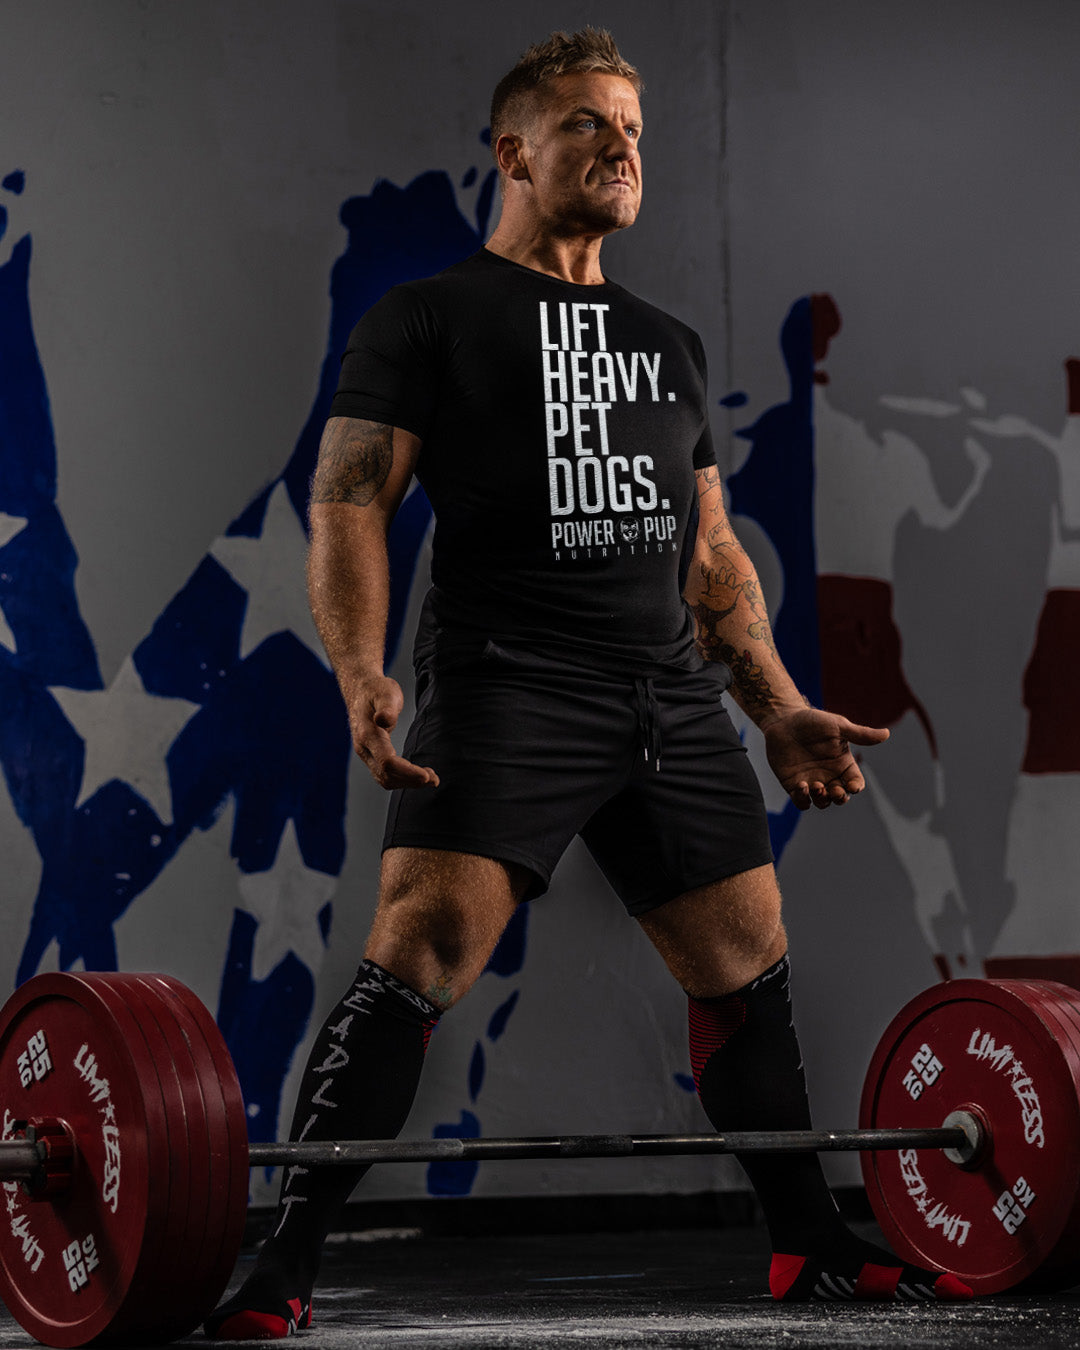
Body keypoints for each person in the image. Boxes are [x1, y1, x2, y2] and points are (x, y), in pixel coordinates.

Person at [205, 28, 971, 1340]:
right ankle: (286, 1260)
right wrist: (359, 668)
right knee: (421, 954)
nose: (622, 147)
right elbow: (350, 504)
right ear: (513, 152)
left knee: (747, 963)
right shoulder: (427, 317)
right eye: (587, 124)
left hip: (666, 695)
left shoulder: (667, 344)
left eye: (633, 128)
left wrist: (777, 702)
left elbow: (711, 556)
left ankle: (806, 1244)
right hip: (510, 684)